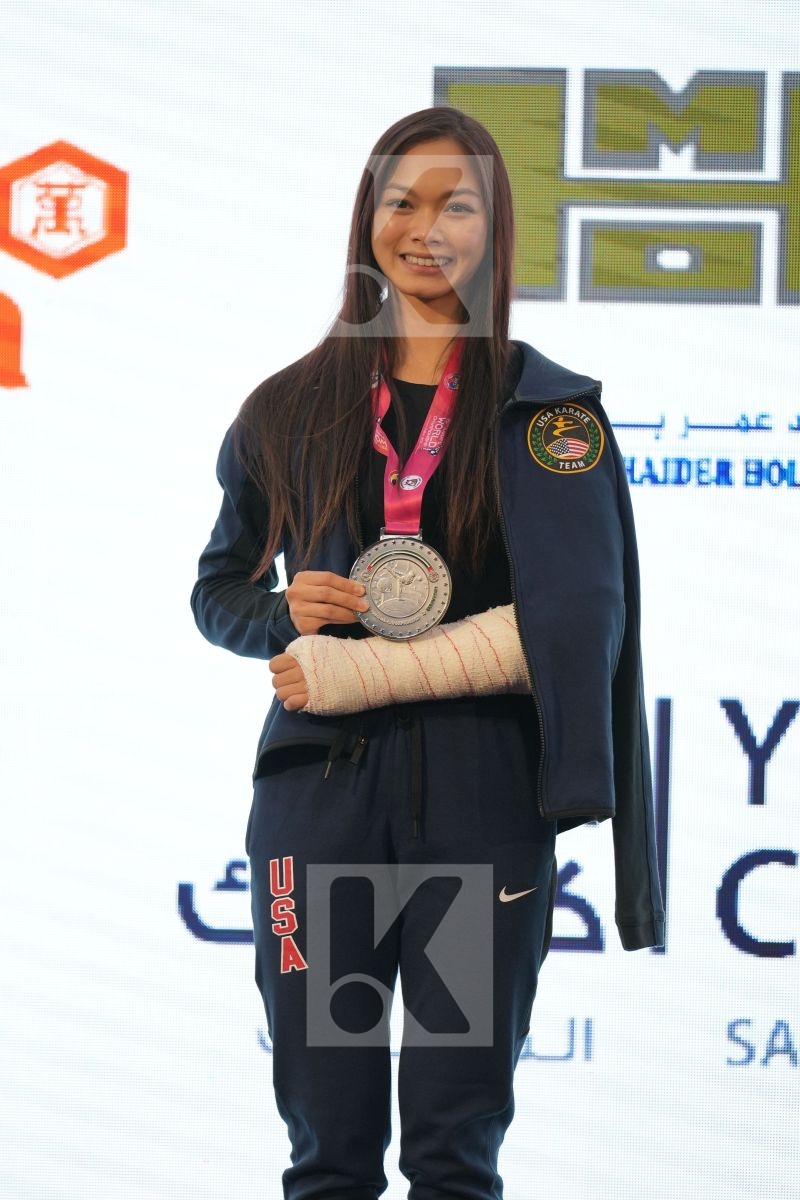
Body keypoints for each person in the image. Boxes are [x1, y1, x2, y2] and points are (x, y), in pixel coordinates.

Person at [191, 105, 664, 1200]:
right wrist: (281, 616)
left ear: (494, 228)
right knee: (329, 1155)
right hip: (318, 804)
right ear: (366, 219)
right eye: (401, 199)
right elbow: (216, 594)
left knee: (452, 1154)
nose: (424, 225)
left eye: (456, 203)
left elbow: (583, 615)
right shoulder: (288, 407)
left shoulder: (544, 412)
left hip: (477, 804)